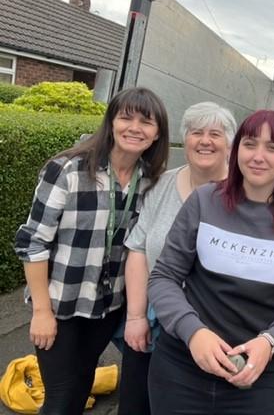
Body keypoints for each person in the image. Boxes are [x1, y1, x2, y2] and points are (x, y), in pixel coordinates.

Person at [147, 109, 274, 415]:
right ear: (237, 148)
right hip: (182, 367)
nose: (258, 156)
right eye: (250, 144)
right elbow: (164, 277)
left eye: (273, 147)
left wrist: (271, 341)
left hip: (257, 377)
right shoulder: (204, 201)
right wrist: (193, 331)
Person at [14, 87, 169, 415]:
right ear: (111, 121)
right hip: (61, 305)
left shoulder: (148, 182)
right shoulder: (68, 169)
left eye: (146, 122)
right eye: (126, 117)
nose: (134, 127)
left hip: (108, 307)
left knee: (82, 382)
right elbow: (33, 241)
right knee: (60, 397)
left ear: (157, 134)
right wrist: (42, 312)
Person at [117, 101, 237, 415]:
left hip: (210, 327)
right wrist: (136, 316)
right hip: (155, 317)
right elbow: (139, 249)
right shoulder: (162, 184)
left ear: (230, 144)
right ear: (185, 139)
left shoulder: (242, 195)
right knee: (135, 404)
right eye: (197, 132)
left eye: (216, 134)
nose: (205, 140)